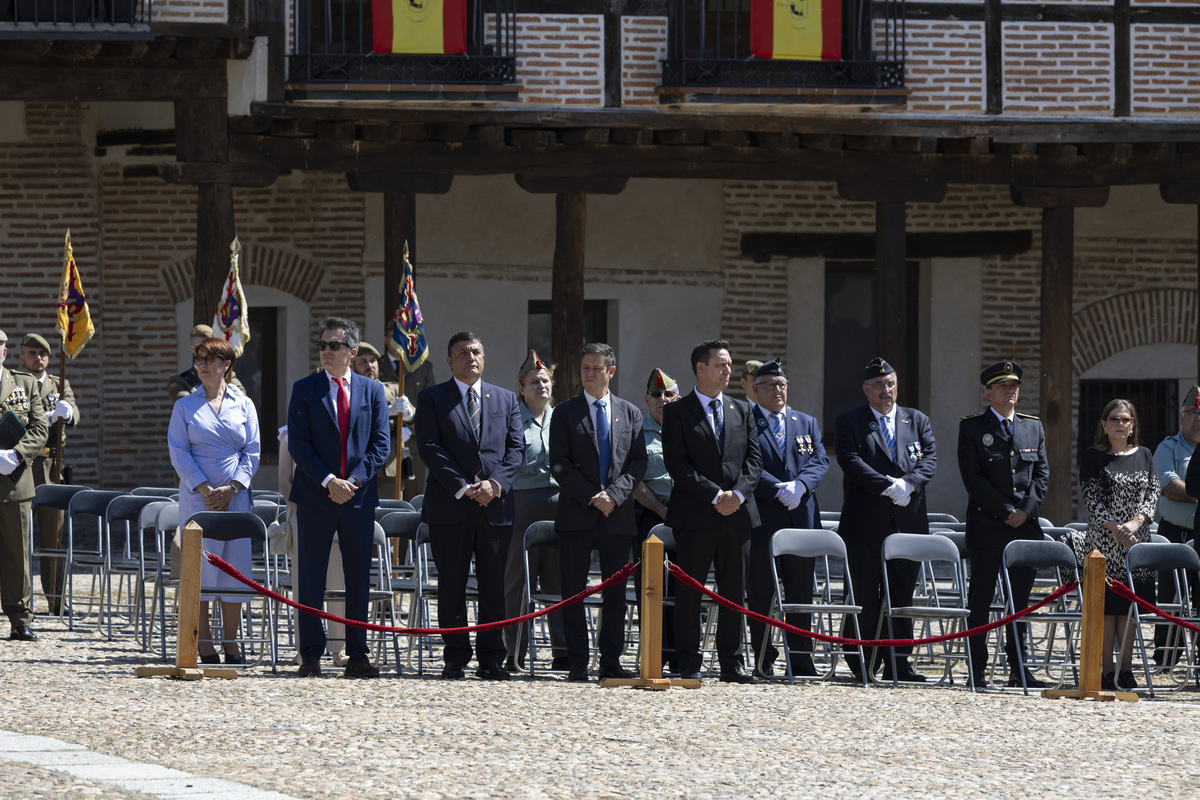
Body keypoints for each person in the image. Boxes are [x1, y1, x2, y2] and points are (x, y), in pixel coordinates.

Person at [414, 332, 523, 680]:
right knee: (452, 584)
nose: (470, 357)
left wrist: (495, 485)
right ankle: (455, 655)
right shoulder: (432, 398)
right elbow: (429, 447)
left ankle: (492, 657)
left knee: (493, 585)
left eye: (476, 351)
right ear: (449, 361)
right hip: (451, 505)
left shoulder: (506, 399)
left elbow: (515, 450)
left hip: (494, 507)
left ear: (484, 358)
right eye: (462, 353)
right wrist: (462, 487)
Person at [287, 317, 390, 679]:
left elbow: (381, 444)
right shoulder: (305, 388)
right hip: (316, 496)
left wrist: (354, 482)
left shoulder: (372, 391)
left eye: (334, 345)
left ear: (352, 352)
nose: (326, 351)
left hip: (358, 499)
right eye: (322, 345)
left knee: (358, 577)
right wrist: (330, 480)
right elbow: (299, 443)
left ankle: (358, 653)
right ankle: (311, 654)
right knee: (311, 577)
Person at [662, 339, 762, 684]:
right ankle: (687, 660)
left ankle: (732, 662)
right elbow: (678, 465)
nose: (727, 371)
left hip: (737, 516)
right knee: (691, 591)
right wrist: (715, 495)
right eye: (720, 364)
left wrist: (737, 494)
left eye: (729, 364)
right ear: (700, 368)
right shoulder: (677, 411)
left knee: (734, 590)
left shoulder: (742, 410)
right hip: (695, 515)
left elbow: (754, 460)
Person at [549, 343, 647, 682]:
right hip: (578, 514)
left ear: (611, 372)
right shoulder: (564, 412)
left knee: (616, 595)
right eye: (585, 368)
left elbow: (637, 464)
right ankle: (577, 661)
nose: (589, 374)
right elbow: (559, 464)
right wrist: (594, 496)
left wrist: (614, 497)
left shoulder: (631, 413)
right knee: (574, 592)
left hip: (617, 517)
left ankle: (611, 661)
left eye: (596, 368)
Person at [835, 357, 936, 683]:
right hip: (866, 522)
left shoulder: (916, 419)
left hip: (907, 520)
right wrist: (888, 486)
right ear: (866, 389)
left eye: (890, 383)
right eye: (878, 384)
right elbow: (850, 461)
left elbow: (930, 458)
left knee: (901, 592)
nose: (885, 390)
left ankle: (899, 661)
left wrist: (908, 484)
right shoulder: (850, 421)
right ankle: (862, 659)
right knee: (865, 591)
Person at [167, 338, 261, 664]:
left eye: (210, 359)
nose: (203, 365)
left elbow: (252, 451)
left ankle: (232, 642)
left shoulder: (244, 405)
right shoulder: (185, 406)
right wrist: (207, 490)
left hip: (235, 499)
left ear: (226, 365)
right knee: (202, 572)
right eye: (199, 359)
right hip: (198, 501)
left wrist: (232, 488)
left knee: (233, 571)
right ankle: (203, 643)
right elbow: (179, 453)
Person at [957, 361, 1049, 689]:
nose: (1011, 391)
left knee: (1020, 603)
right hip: (988, 527)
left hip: (1024, 529)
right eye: (1003, 386)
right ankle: (977, 668)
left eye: (1014, 386)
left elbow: (1041, 475)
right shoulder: (971, 428)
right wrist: (1006, 510)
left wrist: (1025, 511)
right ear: (988, 392)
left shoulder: (1032, 427)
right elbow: (973, 478)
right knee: (980, 601)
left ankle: (1018, 668)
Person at [746, 359, 828, 679]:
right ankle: (763, 656)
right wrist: (776, 487)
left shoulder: (805, 421)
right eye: (769, 385)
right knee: (762, 594)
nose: (777, 390)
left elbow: (819, 461)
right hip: (763, 520)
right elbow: (744, 462)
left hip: (800, 520)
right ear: (756, 390)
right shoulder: (746, 421)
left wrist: (801, 485)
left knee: (800, 593)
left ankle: (801, 658)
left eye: (782, 384)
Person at [1079, 398, 1159, 691]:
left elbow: (1153, 494)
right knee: (1106, 608)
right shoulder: (1092, 456)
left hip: (1136, 545)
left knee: (1128, 611)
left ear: (1133, 424)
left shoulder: (1146, 455)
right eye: (1114, 419)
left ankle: (1126, 669)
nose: (1120, 424)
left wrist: (1134, 525)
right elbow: (1091, 498)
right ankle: (1106, 669)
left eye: (1126, 419)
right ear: (1103, 424)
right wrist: (1116, 528)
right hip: (1104, 543)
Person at [503, 350, 568, 672]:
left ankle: (563, 650)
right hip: (523, 501)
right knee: (518, 578)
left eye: (545, 380)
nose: (540, 386)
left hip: (560, 501)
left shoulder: (564, 418)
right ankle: (515, 650)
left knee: (558, 578)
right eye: (534, 381)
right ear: (521, 388)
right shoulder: (510, 419)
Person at [19, 332, 79, 618]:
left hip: (49, 467)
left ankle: (56, 599)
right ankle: (18, 600)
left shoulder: (59, 383)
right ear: (21, 357)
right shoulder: (14, 381)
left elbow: (74, 411)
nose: (38, 359)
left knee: (51, 538)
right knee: (16, 536)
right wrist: (45, 417)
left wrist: (68, 414)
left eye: (42, 354)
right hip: (20, 466)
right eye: (32, 353)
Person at [0, 329, 48, 641]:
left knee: (18, 554)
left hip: (14, 481)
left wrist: (17, 454)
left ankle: (20, 618)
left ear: (3, 352)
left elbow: (40, 426)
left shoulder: (24, 383)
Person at [632, 368, 680, 670]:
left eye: (669, 394)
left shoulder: (687, 426)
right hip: (648, 514)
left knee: (682, 588)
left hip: (686, 514)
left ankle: (680, 655)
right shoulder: (636, 429)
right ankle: (653, 654)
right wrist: (663, 512)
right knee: (649, 588)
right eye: (657, 395)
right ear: (647, 400)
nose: (663, 400)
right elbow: (634, 480)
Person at [1152, 385, 1200, 665]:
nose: (1197, 417)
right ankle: (1166, 659)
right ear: (1181, 417)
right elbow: (1170, 487)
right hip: (1175, 534)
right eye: (1191, 412)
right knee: (1172, 598)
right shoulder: (1167, 447)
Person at [352, 341, 415, 500]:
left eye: (373, 361)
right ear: (352, 366)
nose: (370, 366)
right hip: (357, 466)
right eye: (363, 362)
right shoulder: (348, 391)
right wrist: (385, 412)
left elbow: (420, 422)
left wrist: (408, 414)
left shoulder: (394, 389)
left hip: (390, 464)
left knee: (390, 514)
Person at [379, 343, 436, 496]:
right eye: (392, 337)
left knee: (414, 492)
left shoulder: (423, 367)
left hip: (414, 440)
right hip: (388, 444)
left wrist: (410, 420)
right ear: (386, 338)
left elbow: (430, 405)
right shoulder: (375, 363)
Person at [168, 324, 245, 402]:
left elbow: (242, 399)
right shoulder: (181, 381)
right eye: (199, 346)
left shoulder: (227, 375)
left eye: (209, 347)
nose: (205, 350)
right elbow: (187, 406)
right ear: (192, 348)